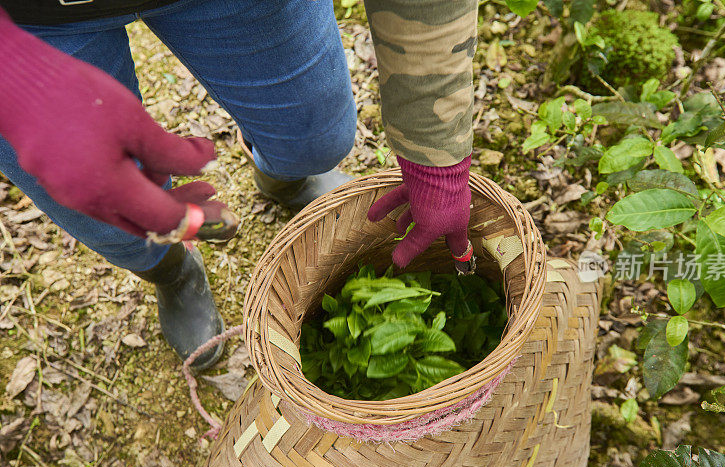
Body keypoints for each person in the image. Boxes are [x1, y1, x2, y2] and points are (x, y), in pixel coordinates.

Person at [0, 0, 477, 369]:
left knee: (316, 139)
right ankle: (173, 274)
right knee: (113, 221)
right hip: (29, 18)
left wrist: (436, 156)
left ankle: (285, 180)